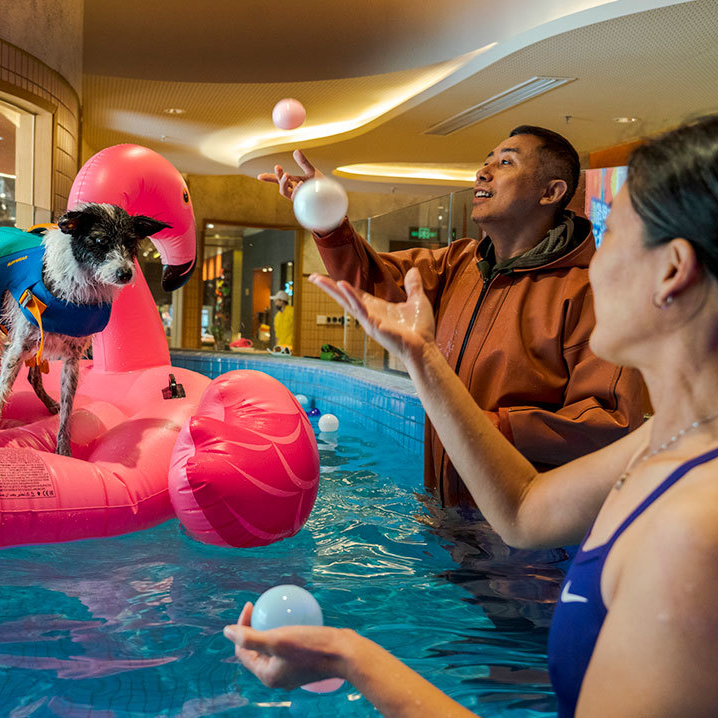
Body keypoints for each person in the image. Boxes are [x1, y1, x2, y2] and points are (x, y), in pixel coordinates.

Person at [227, 115, 718, 717]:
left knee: (513, 671)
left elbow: (592, 436)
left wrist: (353, 660)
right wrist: (420, 355)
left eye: (613, 234)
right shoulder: (663, 448)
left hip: (529, 572)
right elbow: (521, 511)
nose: (595, 260)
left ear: (671, 270)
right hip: (470, 519)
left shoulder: (692, 533)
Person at [260, 128, 647, 508]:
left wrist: (478, 428)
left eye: (506, 161)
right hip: (447, 510)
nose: (483, 171)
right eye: (486, 161)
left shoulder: (591, 292)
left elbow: (608, 421)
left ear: (550, 192)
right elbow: (376, 281)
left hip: (532, 533)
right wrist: (327, 218)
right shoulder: (460, 263)